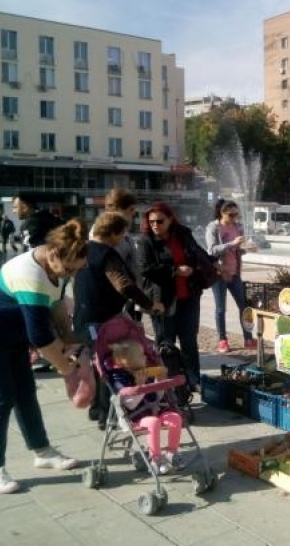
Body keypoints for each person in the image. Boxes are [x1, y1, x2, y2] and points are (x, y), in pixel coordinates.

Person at [0, 219, 87, 494]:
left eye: (75, 271)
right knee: (0, 399)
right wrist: (66, 368)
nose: (70, 276)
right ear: (53, 253)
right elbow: (40, 337)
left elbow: (58, 306)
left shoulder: (55, 269)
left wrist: (69, 336)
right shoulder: (30, 274)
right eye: (70, 270)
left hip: (11, 336)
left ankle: (42, 452)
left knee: (26, 393)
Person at [73, 212, 164, 428]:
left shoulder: (83, 250)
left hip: (82, 318)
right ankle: (107, 416)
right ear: (113, 233)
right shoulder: (107, 254)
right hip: (103, 320)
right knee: (108, 365)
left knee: (95, 366)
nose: (123, 238)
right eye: (122, 233)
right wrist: (150, 304)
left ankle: (95, 409)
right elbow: (123, 284)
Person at [138, 202, 207, 393]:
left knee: (189, 341)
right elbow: (145, 268)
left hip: (189, 296)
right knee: (165, 343)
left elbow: (196, 254)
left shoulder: (182, 234)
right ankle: (169, 384)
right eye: (151, 221)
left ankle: (193, 380)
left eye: (160, 221)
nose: (155, 225)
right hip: (164, 300)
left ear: (170, 219)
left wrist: (208, 264)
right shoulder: (146, 241)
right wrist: (175, 271)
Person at [105, 339, 183, 475]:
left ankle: (172, 452)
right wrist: (139, 386)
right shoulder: (119, 379)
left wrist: (160, 381)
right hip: (133, 417)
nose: (145, 357)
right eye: (140, 355)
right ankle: (155, 459)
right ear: (125, 362)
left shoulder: (144, 372)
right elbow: (130, 405)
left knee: (175, 417)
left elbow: (157, 397)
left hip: (152, 410)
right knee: (154, 422)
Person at [205, 200, 257, 353]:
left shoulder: (238, 227)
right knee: (221, 309)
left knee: (244, 306)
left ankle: (248, 338)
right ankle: (222, 340)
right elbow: (211, 251)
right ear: (222, 213)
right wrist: (231, 243)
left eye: (236, 214)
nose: (235, 217)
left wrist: (247, 248)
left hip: (235, 274)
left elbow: (238, 250)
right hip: (219, 273)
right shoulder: (213, 228)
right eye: (231, 214)